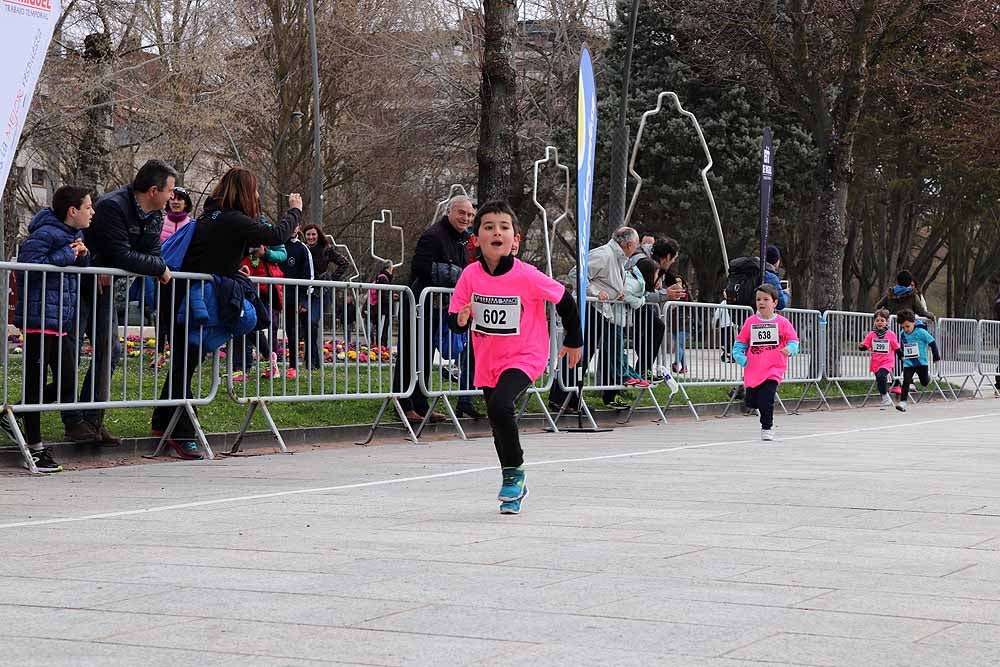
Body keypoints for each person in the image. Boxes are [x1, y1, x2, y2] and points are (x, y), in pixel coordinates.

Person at [150, 168, 301, 459]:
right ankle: (181, 433)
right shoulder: (232, 219)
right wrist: (295, 211)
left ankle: (162, 423)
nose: (257, 196)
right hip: (194, 299)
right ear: (245, 192)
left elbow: (215, 255)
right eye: (255, 191)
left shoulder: (212, 215)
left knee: (185, 362)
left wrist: (233, 269)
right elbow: (276, 235)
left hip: (187, 294)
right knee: (186, 362)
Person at [448, 200, 582, 514]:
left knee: (500, 405)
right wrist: (461, 318)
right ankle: (514, 481)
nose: (497, 232)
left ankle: (513, 474)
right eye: (489, 227)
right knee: (497, 418)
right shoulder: (470, 276)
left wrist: (575, 340)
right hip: (488, 360)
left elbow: (566, 300)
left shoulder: (528, 275)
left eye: (504, 227)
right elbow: (454, 319)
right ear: (476, 238)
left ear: (515, 240)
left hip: (527, 355)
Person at [61, 159, 176, 446]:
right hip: (82, 285)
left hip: (107, 289)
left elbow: (153, 254)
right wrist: (156, 268)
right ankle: (70, 420)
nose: (172, 197)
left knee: (109, 350)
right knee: (70, 352)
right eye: (169, 190)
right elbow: (122, 255)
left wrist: (154, 264)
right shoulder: (114, 206)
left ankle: (92, 420)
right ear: (153, 190)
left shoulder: (155, 216)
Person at [8, 186, 94, 472]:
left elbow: (78, 267)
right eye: (88, 207)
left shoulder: (74, 236)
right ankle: (34, 447)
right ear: (73, 210)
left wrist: (82, 256)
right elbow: (28, 267)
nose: (92, 213)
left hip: (60, 320)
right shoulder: (45, 233)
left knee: (66, 382)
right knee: (35, 382)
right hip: (38, 319)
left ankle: (14, 414)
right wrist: (67, 257)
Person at [391, 195, 475, 424]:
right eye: (461, 213)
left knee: (426, 355)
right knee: (411, 354)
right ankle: (403, 403)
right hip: (419, 303)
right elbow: (419, 267)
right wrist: (450, 275)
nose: (466, 218)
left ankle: (421, 405)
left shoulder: (462, 239)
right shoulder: (434, 234)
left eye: (469, 215)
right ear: (449, 212)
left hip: (436, 305)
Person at [549, 226, 639, 412]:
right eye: (635, 246)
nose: (635, 250)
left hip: (601, 311)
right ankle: (561, 397)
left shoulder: (616, 259)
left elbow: (605, 281)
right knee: (578, 354)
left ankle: (570, 398)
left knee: (583, 355)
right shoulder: (604, 255)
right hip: (590, 308)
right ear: (629, 244)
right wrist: (596, 293)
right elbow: (576, 273)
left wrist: (617, 293)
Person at [732, 284, 799, 441]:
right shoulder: (750, 322)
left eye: (766, 299)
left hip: (773, 369)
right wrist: (739, 356)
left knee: (766, 400)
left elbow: (793, 340)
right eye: (758, 299)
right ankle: (754, 404)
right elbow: (740, 343)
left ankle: (767, 427)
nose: (761, 302)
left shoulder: (782, 323)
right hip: (753, 369)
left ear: (775, 303)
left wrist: (790, 349)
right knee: (752, 402)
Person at [232, 241, 286, 381]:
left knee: (251, 324)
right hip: (241, 281)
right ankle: (240, 369)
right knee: (238, 322)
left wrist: (265, 253)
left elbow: (282, 254)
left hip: (261, 288)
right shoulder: (239, 228)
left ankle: (267, 358)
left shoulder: (267, 230)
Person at [300, 223, 350, 368]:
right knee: (306, 327)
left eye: (313, 234)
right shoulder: (302, 249)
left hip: (319, 292)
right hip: (303, 291)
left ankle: (313, 361)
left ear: (318, 235)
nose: (311, 237)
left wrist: (332, 279)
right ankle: (312, 362)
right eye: (308, 234)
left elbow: (344, 263)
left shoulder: (325, 249)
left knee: (312, 322)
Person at [279, 224, 314, 379]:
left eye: (296, 225)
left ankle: (293, 366)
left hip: (293, 297)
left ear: (298, 228)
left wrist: (304, 299)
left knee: (291, 331)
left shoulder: (302, 249)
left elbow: (309, 276)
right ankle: (271, 365)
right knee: (270, 330)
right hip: (275, 295)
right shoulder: (277, 245)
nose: (293, 228)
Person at [894, 308, 940, 413]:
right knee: (905, 381)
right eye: (903, 327)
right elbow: (901, 345)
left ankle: (927, 377)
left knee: (924, 382)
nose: (905, 329)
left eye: (907, 326)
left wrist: (936, 356)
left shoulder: (921, 332)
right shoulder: (902, 334)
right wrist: (901, 354)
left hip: (921, 363)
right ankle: (903, 402)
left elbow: (932, 342)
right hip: (908, 363)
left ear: (913, 322)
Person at [858, 308, 900, 410]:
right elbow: (866, 345)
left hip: (887, 361)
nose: (879, 323)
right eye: (877, 320)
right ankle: (885, 397)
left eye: (882, 320)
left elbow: (896, 347)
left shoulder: (891, 334)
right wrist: (861, 347)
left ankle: (886, 397)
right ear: (874, 322)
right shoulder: (872, 334)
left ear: (887, 321)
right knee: (880, 380)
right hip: (876, 362)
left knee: (881, 376)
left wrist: (902, 356)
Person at [368, 260, 396, 347]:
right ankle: (382, 347)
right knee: (383, 329)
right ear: (389, 267)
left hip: (380, 308)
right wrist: (390, 301)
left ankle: (381, 347)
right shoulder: (383, 278)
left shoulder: (380, 277)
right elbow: (384, 295)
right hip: (384, 309)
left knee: (382, 328)